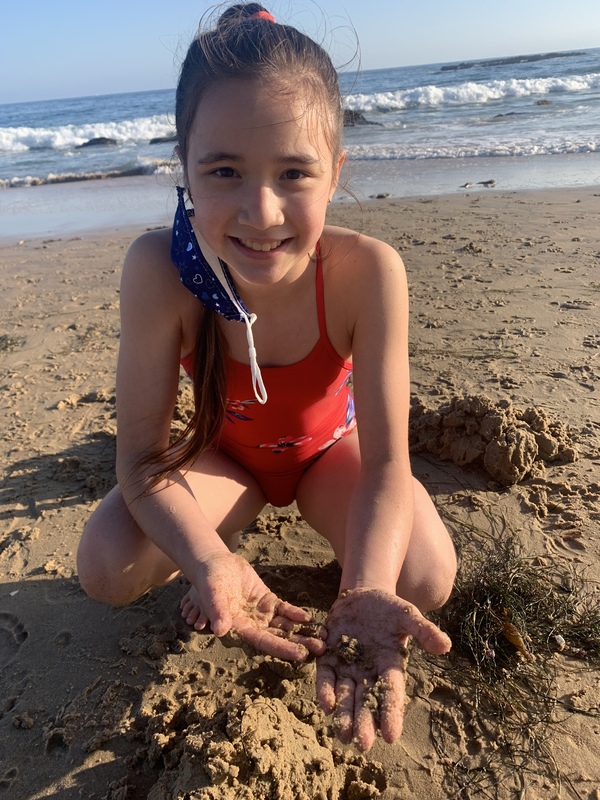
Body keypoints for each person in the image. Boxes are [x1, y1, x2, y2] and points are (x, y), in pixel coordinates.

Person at [77, 3, 457, 752]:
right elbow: (144, 462)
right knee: (106, 563)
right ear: (181, 164)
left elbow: (386, 466)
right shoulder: (159, 271)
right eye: (223, 171)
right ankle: (228, 544)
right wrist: (210, 560)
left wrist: (364, 591)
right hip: (228, 466)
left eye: (293, 172)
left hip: (328, 460)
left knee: (425, 576)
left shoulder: (367, 272)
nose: (261, 210)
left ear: (337, 170)